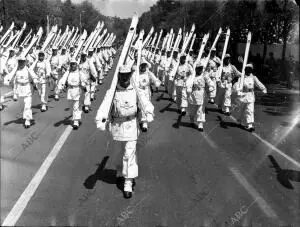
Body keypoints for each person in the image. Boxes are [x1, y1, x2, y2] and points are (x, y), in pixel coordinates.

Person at [96, 65, 154, 199]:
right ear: (118, 76)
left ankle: (128, 182)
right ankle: (122, 172)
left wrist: (147, 115)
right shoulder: (112, 92)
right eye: (122, 75)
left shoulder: (136, 90)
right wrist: (101, 120)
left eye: (127, 75)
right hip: (117, 126)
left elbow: (144, 104)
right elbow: (104, 107)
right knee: (119, 153)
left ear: (130, 75)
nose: (124, 78)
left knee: (129, 153)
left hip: (131, 126)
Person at [4, 57, 38, 128]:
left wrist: (35, 81)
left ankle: (27, 120)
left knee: (27, 105)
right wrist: (8, 82)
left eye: (22, 61)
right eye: (20, 61)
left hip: (27, 88)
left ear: (25, 62)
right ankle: (26, 116)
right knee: (22, 106)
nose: (21, 63)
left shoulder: (28, 69)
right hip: (19, 89)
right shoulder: (16, 70)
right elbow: (13, 79)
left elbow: (34, 75)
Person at [235, 63, 267, 132]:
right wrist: (239, 92)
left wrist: (263, 88)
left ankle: (249, 125)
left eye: (250, 69)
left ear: (251, 70)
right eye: (247, 69)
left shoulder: (253, 77)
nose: (248, 70)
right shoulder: (242, 78)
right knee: (241, 110)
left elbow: (258, 83)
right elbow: (238, 85)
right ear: (245, 69)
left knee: (250, 110)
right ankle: (239, 120)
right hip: (243, 96)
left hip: (251, 96)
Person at [56, 59, 85, 129]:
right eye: (71, 64)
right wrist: (59, 88)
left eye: (74, 64)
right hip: (69, 90)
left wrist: (84, 85)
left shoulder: (79, 72)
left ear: (76, 65)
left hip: (77, 90)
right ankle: (74, 116)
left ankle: (76, 122)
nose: (73, 65)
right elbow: (63, 79)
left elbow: (83, 80)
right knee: (71, 106)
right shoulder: (68, 72)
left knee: (76, 106)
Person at [134, 61, 161, 131]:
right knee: (140, 106)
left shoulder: (148, 73)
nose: (143, 68)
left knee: (145, 105)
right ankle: (141, 121)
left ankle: (144, 122)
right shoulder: (136, 74)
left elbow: (154, 79)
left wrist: (156, 82)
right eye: (142, 66)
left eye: (144, 66)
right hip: (139, 91)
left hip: (147, 91)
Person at [187, 62, 214, 131]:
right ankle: (192, 120)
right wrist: (188, 88)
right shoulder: (192, 76)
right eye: (199, 68)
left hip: (202, 94)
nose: (200, 70)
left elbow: (210, 82)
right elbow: (187, 83)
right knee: (192, 110)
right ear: (196, 69)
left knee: (201, 110)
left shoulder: (204, 76)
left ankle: (200, 124)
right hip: (193, 95)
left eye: (201, 68)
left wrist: (211, 87)